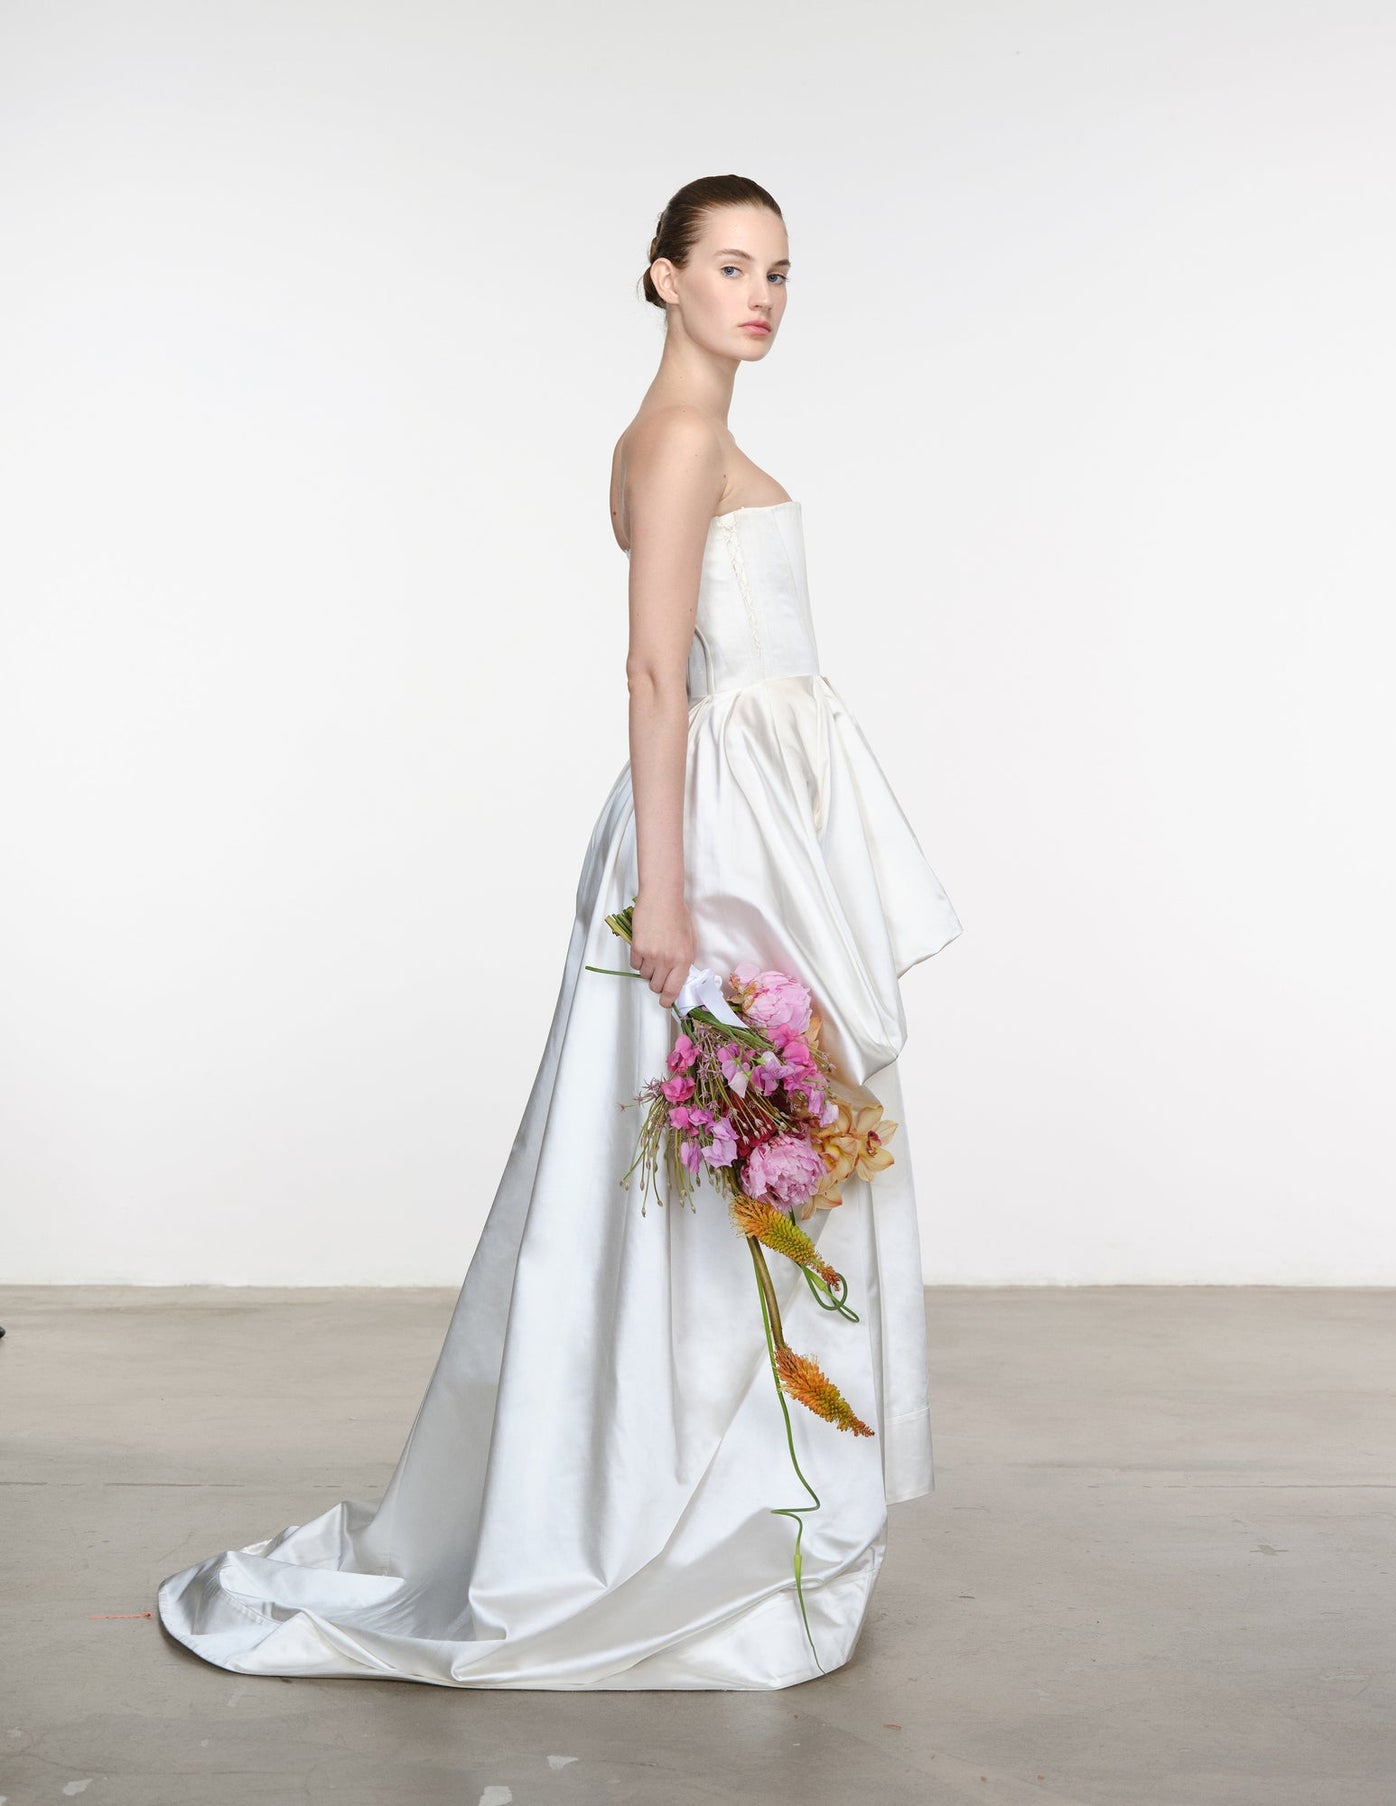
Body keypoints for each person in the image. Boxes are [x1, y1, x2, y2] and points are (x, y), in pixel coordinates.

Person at [157, 173, 962, 1690]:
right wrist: (665, 895)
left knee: (758, 1161)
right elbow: (657, 674)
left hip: (759, 819)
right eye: (730, 266)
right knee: (721, 1163)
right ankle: (674, 1509)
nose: (762, 295)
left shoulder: (704, 433)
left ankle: (734, 1487)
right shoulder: (670, 443)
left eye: (779, 271)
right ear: (661, 277)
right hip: (717, 838)